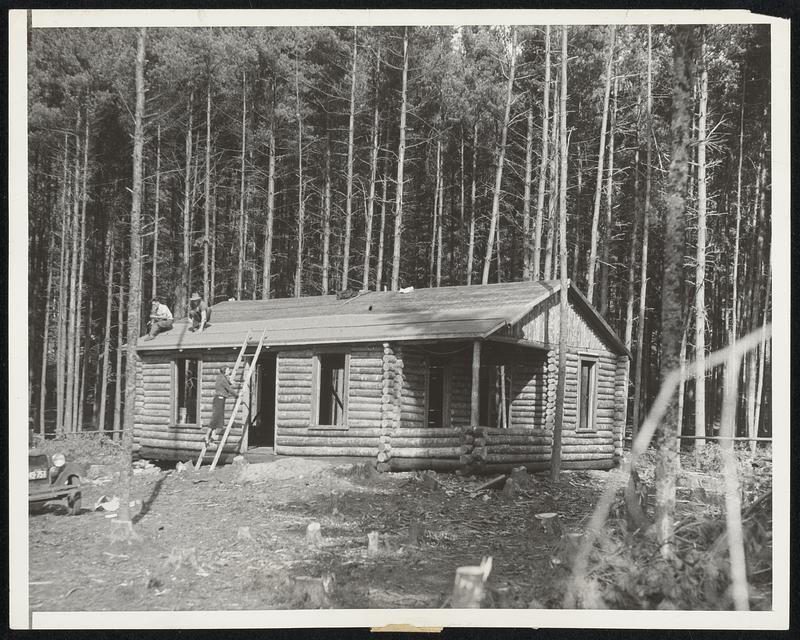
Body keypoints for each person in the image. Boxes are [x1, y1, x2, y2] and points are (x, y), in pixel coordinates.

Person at [206, 366, 237, 443]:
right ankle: (207, 435)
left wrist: (230, 382)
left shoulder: (221, 377)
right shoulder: (222, 378)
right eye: (228, 370)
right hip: (219, 399)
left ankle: (213, 434)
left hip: (221, 399)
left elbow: (226, 382)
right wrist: (237, 395)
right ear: (224, 371)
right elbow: (228, 388)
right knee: (216, 417)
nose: (229, 371)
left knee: (220, 417)